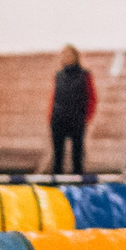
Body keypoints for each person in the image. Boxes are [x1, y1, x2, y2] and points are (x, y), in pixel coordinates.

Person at [51, 44, 97, 176]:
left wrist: (85, 117)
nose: (67, 57)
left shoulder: (84, 75)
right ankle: (56, 187)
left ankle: (78, 188)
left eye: (69, 55)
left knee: (77, 157)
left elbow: (92, 97)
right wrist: (51, 116)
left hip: (77, 120)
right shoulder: (59, 75)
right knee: (58, 158)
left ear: (76, 57)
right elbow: (54, 97)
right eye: (64, 55)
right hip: (58, 119)